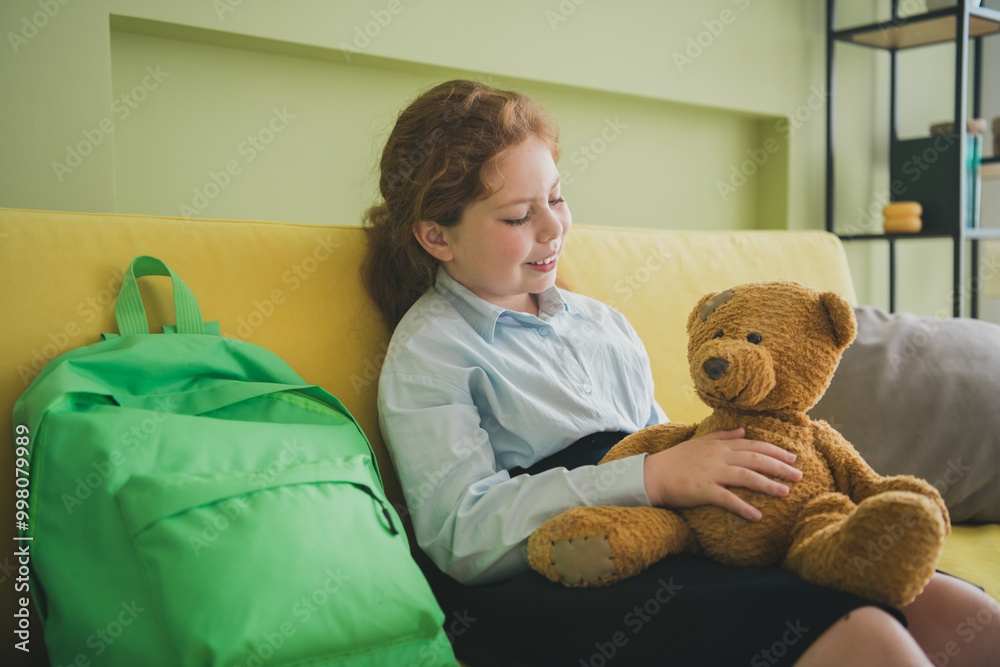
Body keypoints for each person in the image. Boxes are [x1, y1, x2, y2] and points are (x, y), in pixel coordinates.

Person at [362, 79, 999, 666]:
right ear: (436, 236)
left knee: (955, 608)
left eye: (556, 197)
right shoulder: (432, 353)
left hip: (661, 526)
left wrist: (721, 475)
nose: (554, 227)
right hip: (554, 570)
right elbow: (460, 536)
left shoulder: (599, 322)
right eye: (518, 217)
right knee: (868, 635)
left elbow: (662, 441)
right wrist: (653, 477)